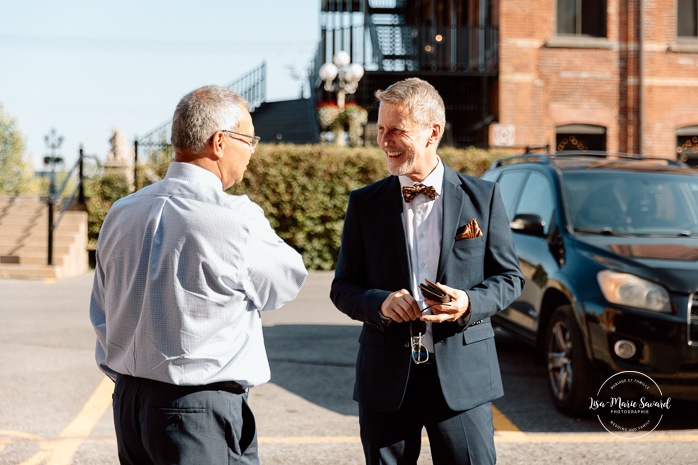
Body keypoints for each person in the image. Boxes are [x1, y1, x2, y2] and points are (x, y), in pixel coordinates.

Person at [90, 85, 308, 465]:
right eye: (249, 139)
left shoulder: (121, 211)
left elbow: (101, 313)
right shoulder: (234, 218)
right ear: (220, 142)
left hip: (129, 404)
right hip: (197, 409)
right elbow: (285, 283)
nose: (252, 151)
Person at [330, 77, 524, 465]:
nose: (384, 141)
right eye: (381, 130)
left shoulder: (483, 198)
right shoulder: (365, 204)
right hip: (386, 380)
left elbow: (509, 278)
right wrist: (380, 304)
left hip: (463, 378)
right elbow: (343, 288)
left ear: (432, 132)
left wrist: (468, 302)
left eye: (396, 131)